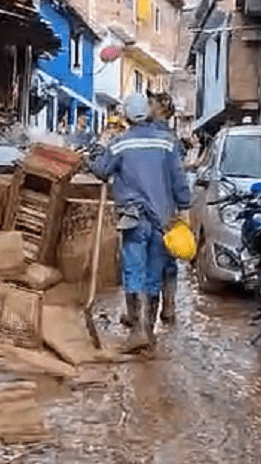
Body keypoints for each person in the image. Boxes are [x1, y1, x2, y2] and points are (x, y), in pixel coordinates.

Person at [88, 93, 191, 352]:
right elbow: (179, 181)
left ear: (125, 116)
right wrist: (185, 208)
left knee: (134, 271)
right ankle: (149, 332)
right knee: (154, 274)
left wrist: (93, 154)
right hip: (162, 219)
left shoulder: (120, 143)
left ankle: (137, 331)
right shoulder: (168, 143)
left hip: (133, 219)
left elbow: (102, 170)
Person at [146, 89, 186, 325]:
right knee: (168, 259)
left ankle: (144, 317)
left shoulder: (147, 135)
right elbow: (179, 178)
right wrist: (183, 208)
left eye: (151, 103)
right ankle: (168, 308)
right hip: (167, 208)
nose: (148, 106)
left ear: (162, 108)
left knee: (148, 260)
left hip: (148, 208)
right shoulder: (173, 141)